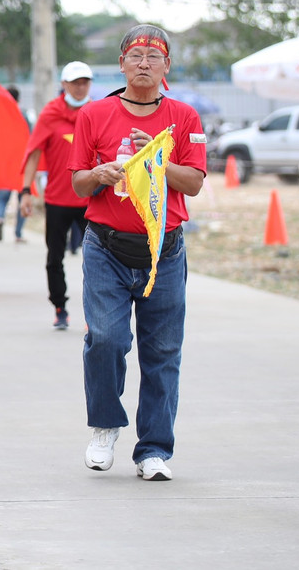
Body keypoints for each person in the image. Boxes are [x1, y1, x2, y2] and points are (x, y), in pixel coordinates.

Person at [70, 25, 204, 482]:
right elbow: (77, 182)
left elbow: (196, 182)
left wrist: (157, 162)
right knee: (105, 338)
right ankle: (105, 426)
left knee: (163, 351)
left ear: (167, 66)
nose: (144, 62)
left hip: (164, 253)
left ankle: (153, 451)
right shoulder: (93, 115)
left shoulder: (184, 117)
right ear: (122, 63)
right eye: (136, 55)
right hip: (106, 247)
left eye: (154, 55)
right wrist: (100, 173)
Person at [20, 61, 94, 329]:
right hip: (58, 200)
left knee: (97, 261)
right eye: (75, 83)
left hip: (91, 200)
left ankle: (94, 311)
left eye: (85, 82)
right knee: (55, 258)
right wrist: (26, 191)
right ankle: (60, 307)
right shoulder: (50, 114)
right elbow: (34, 152)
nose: (80, 87)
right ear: (64, 85)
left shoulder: (97, 112)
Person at [0, 86, 32, 245]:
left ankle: (0, 218)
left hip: (4, 163)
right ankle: (18, 233)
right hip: (21, 164)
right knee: (23, 197)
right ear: (19, 99)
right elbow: (32, 139)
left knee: (2, 198)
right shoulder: (23, 116)